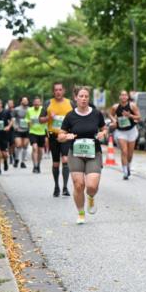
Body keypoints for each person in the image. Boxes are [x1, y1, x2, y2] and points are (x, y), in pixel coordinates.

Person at [58, 86, 108, 224]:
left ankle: (91, 198)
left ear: (89, 98)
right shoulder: (70, 116)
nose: (84, 99)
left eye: (86, 96)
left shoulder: (96, 114)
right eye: (81, 96)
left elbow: (105, 130)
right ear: (76, 98)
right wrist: (66, 136)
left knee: (91, 186)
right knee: (78, 185)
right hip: (76, 153)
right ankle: (80, 213)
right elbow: (60, 136)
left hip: (93, 153)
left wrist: (102, 134)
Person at [41, 82, 74, 197]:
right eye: (56, 90)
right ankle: (56, 186)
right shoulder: (48, 103)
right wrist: (49, 117)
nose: (58, 92)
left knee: (65, 159)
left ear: (63, 91)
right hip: (52, 135)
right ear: (53, 92)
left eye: (60, 89)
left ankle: (65, 187)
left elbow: (76, 116)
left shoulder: (70, 103)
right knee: (55, 163)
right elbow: (40, 120)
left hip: (65, 135)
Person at [109, 90, 141, 179]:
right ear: (119, 97)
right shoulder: (115, 107)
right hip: (120, 131)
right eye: (122, 95)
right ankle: (125, 172)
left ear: (127, 97)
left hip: (131, 131)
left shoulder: (132, 106)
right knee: (124, 151)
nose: (123, 97)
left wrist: (130, 115)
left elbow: (139, 117)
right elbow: (110, 115)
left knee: (130, 154)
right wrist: (114, 120)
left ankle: (128, 166)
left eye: (125, 95)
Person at [27, 95, 47, 173]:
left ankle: (38, 164)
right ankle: (35, 165)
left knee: (40, 150)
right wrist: (29, 124)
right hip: (33, 132)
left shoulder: (43, 110)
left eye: (38, 103)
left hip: (42, 132)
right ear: (33, 103)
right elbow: (27, 120)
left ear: (40, 103)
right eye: (35, 103)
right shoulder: (29, 110)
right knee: (34, 148)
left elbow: (47, 120)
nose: (36, 104)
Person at [13, 96, 31, 168]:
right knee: (18, 145)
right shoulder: (16, 109)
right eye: (24, 101)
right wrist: (15, 126)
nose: (25, 102)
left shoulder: (30, 109)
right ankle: (17, 159)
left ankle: (22, 162)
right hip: (18, 129)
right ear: (21, 102)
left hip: (27, 130)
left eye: (26, 101)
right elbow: (13, 118)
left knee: (25, 146)